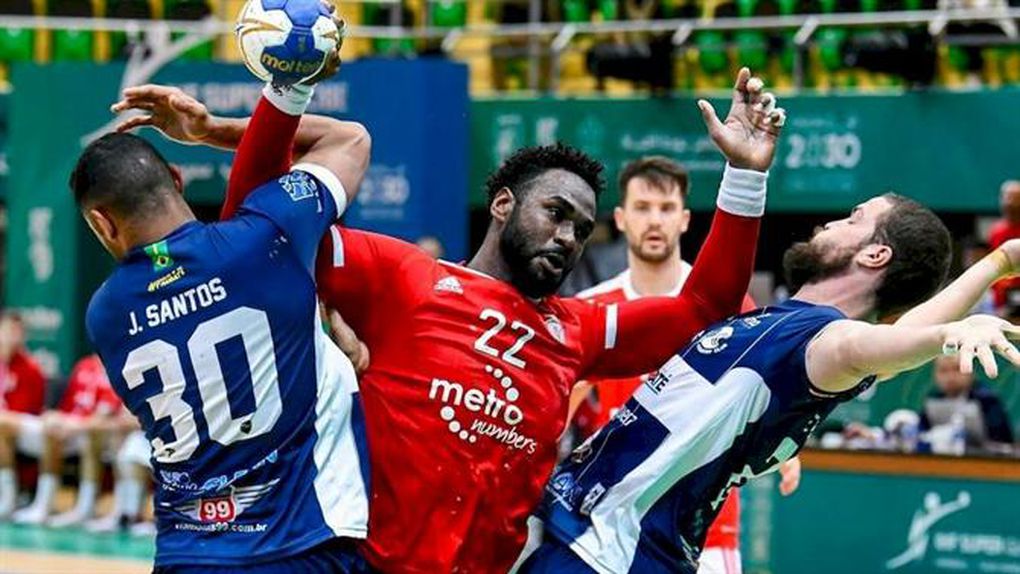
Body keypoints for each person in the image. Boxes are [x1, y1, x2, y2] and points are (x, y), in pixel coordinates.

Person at [123, 67, 786, 572]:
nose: (568, 236)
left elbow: (704, 309)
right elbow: (261, 238)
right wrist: (281, 96)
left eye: (582, 228)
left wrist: (745, 176)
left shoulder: (578, 330)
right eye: (555, 213)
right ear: (502, 205)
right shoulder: (404, 278)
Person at [519, 196, 1020, 574]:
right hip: (596, 538)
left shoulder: (825, 342)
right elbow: (893, 342)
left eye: (854, 218)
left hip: (608, 553)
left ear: (875, 254)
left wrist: (947, 337)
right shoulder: (789, 325)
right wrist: (997, 264)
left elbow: (868, 346)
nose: (831, 223)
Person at [85, 47, 373, 570]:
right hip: (297, 544)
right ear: (177, 178)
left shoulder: (105, 313)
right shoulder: (263, 238)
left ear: (102, 224)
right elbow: (349, 140)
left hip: (185, 553)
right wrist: (212, 131)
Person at [569, 156, 799, 574]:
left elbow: (772, 384)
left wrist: (786, 450)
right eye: (642, 207)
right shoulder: (594, 308)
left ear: (685, 219)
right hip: (608, 527)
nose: (654, 220)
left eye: (666, 208)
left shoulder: (728, 306)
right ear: (620, 218)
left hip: (705, 529)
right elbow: (559, 399)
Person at [8, 354, 130, 527]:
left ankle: (85, 508)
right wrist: (55, 416)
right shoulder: (84, 364)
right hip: (70, 426)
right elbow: (67, 405)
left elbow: (106, 416)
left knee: (92, 435)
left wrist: (75, 425)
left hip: (98, 432)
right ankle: (41, 505)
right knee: (51, 429)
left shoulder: (119, 366)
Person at [0, 311, 49, 518]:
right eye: (9, 330)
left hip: (27, 426)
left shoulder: (30, 368)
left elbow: (24, 412)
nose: (14, 336)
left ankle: (8, 497)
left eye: (19, 331)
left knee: (2, 426)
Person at [919, 353, 1014, 447]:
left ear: (971, 371)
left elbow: (1002, 441)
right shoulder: (932, 399)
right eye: (943, 371)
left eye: (957, 369)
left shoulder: (987, 400)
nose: (950, 377)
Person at [988, 180, 1020, 310]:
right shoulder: (997, 231)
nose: (1011, 203)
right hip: (1001, 301)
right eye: (1007, 198)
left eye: (1016, 199)